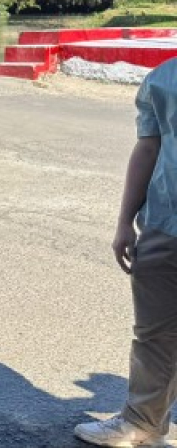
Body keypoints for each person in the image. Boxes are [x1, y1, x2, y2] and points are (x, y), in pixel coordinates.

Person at [74, 58, 177, 447]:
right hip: (164, 225)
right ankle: (142, 424)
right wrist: (124, 223)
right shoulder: (162, 80)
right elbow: (148, 149)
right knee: (155, 332)